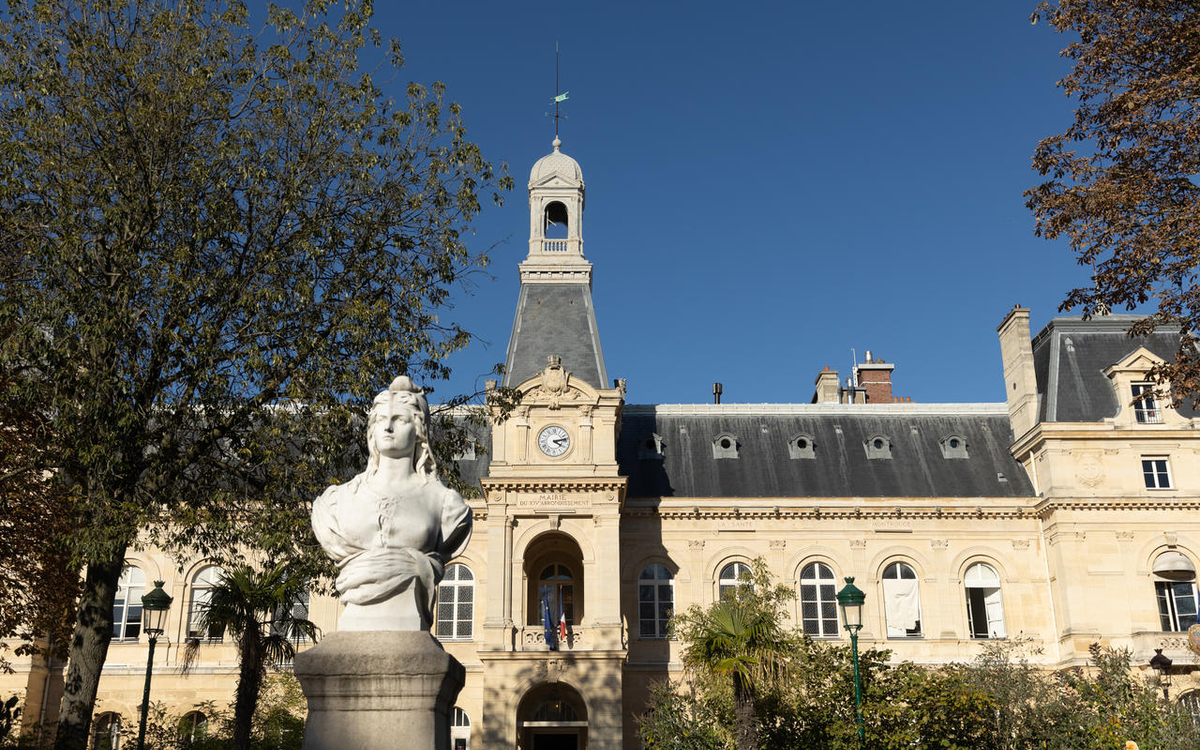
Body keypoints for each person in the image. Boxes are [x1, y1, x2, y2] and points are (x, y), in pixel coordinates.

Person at [312, 375, 472, 631]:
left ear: (419, 431)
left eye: (399, 420)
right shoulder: (334, 503)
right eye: (380, 420)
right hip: (353, 624)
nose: (387, 428)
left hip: (411, 623)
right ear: (371, 430)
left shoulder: (446, 504)